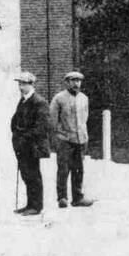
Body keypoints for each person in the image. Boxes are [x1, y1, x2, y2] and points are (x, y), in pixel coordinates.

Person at [49, 71, 93, 208]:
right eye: (73, 81)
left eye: (79, 81)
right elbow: (52, 121)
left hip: (80, 140)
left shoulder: (84, 98)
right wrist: (57, 138)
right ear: (66, 82)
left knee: (79, 169)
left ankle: (78, 197)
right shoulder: (58, 98)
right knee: (63, 169)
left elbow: (85, 118)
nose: (76, 84)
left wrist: (83, 136)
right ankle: (62, 198)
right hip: (65, 140)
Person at [10, 71, 50, 215]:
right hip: (22, 145)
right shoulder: (23, 100)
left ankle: (36, 206)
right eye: (19, 84)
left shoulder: (39, 102)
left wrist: (24, 137)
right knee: (26, 174)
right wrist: (16, 134)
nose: (20, 87)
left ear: (31, 84)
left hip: (33, 146)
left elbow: (41, 127)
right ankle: (29, 204)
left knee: (33, 175)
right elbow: (15, 120)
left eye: (24, 84)